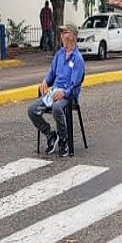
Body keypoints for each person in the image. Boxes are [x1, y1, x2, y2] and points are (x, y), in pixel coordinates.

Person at [28, 25, 85, 157]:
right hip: (54, 91)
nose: (61, 35)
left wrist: (64, 93)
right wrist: (45, 81)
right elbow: (52, 74)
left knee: (56, 107)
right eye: (61, 33)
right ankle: (50, 135)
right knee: (32, 110)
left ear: (72, 36)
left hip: (68, 95)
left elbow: (75, 84)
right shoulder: (59, 54)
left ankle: (64, 139)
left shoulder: (77, 58)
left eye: (65, 33)